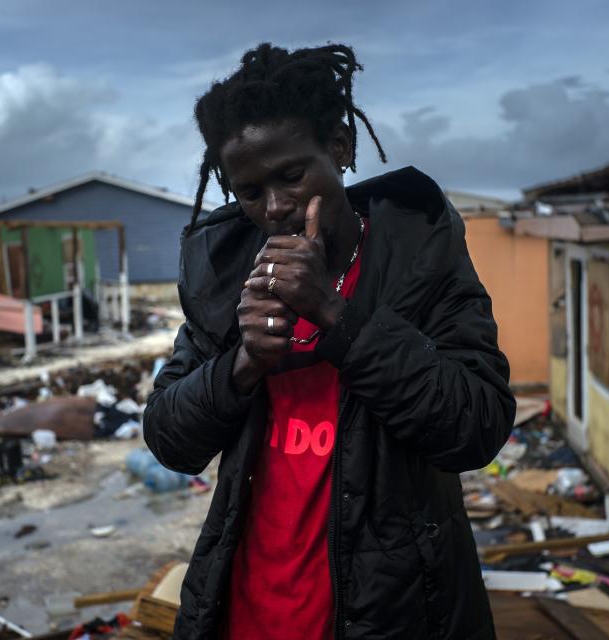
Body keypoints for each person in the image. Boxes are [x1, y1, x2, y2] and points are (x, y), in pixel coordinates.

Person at [144, 42, 515, 640]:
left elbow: (477, 426)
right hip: (247, 610)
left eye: (293, 175)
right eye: (250, 192)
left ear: (340, 149)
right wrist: (242, 364)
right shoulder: (228, 281)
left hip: (389, 616)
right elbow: (167, 436)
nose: (277, 206)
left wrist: (336, 317)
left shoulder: (420, 259)